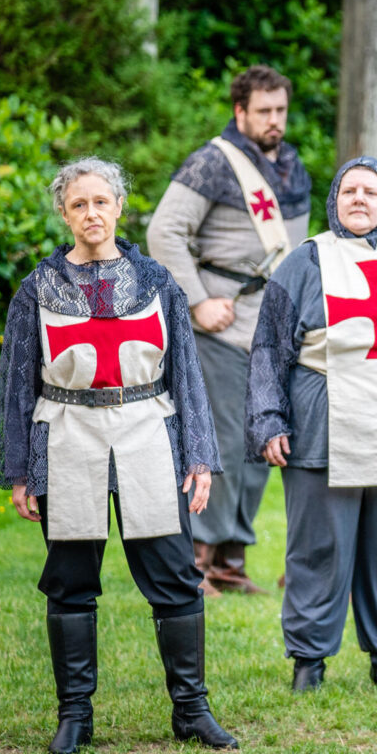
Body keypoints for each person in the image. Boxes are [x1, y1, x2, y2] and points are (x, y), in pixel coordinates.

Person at [0, 157, 238, 754]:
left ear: (120, 207)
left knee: (174, 575)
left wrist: (197, 455)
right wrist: (20, 468)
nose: (91, 213)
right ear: (64, 214)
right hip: (68, 431)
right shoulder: (39, 289)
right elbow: (17, 383)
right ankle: (75, 715)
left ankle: (191, 711)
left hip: (148, 430)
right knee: (71, 579)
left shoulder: (156, 281)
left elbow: (187, 375)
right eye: (79, 204)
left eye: (101, 201)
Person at [246, 156, 377, 695]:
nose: (359, 199)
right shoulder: (305, 263)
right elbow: (269, 348)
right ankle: (309, 662)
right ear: (334, 202)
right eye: (349, 191)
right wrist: (269, 419)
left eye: (370, 191)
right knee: (320, 546)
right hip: (324, 424)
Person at [147, 64, 311, 596]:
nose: (274, 121)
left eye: (280, 110)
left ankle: (230, 561)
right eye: (264, 111)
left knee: (262, 442)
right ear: (240, 111)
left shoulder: (291, 165)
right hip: (221, 324)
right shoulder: (213, 162)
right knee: (214, 445)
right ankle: (194, 561)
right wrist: (196, 302)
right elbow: (164, 231)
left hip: (273, 329)